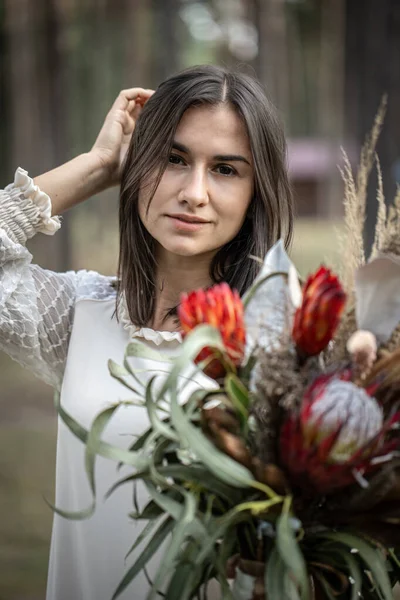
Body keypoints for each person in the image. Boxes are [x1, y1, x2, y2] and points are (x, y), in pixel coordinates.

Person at [0, 65, 293, 599]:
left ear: (257, 191)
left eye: (225, 169)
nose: (194, 192)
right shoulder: (79, 315)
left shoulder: (281, 348)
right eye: (174, 159)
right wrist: (95, 167)